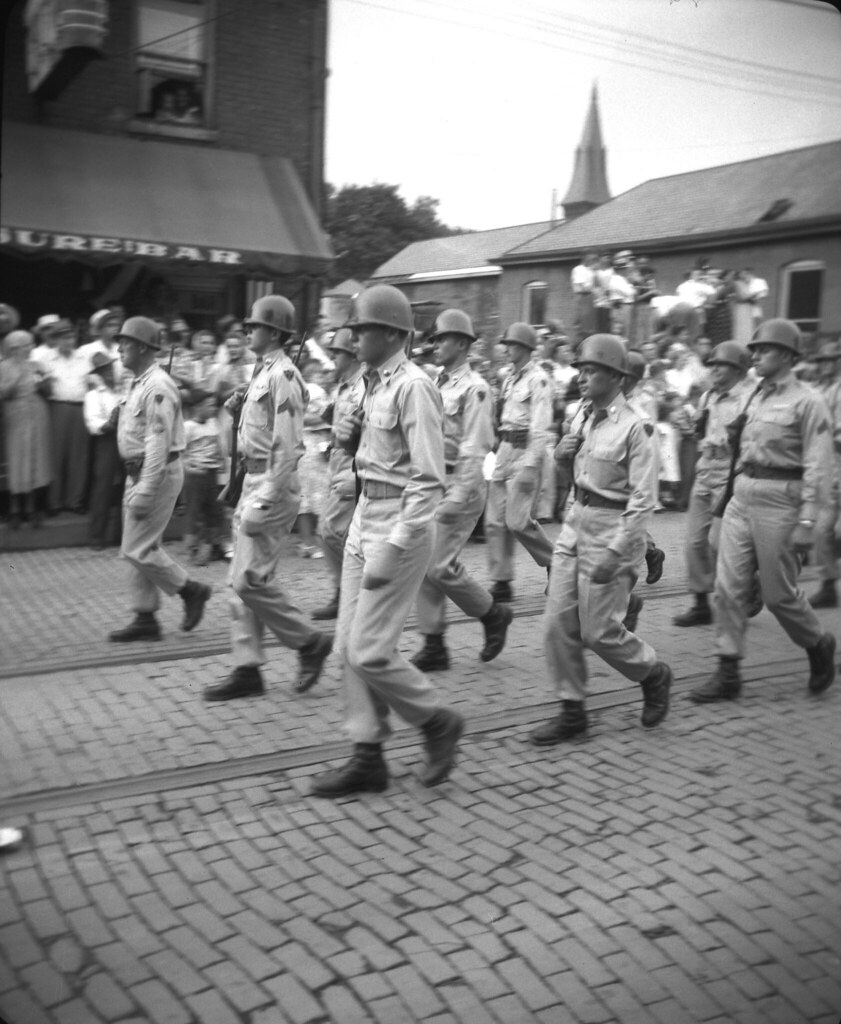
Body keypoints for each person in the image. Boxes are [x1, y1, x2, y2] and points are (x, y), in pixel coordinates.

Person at [310, 284, 464, 798]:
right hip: (365, 516)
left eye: (363, 328)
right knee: (345, 649)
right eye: (354, 328)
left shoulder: (413, 386)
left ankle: (437, 721)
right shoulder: (371, 385)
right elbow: (380, 463)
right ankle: (368, 754)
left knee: (370, 650)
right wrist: (352, 458)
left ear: (394, 333)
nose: (353, 337)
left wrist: (397, 543)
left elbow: (427, 477)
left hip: (398, 525)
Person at [530, 334, 673, 746]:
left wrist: (618, 550)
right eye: (580, 370)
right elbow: (572, 474)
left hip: (613, 529)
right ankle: (572, 710)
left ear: (615, 376)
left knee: (599, 632)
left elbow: (644, 500)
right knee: (557, 622)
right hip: (575, 525)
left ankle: (652, 672)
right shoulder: (580, 417)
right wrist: (560, 455)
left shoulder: (636, 427)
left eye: (591, 370)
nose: (582, 378)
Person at [690, 319, 836, 704]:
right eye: (753, 349)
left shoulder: (809, 401)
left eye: (764, 349)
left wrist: (808, 520)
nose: (755, 355)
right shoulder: (755, 397)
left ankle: (817, 643)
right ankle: (728, 670)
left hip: (782, 501)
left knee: (778, 595)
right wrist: (723, 505)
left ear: (787, 355)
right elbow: (738, 451)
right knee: (728, 586)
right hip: (743, 493)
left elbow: (819, 466)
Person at [203, 296, 332, 701]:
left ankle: (309, 642)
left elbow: (289, 445)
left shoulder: (285, 376)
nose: (246, 332)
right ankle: (247, 668)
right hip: (254, 480)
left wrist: (267, 496)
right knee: (240, 580)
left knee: (248, 580)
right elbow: (253, 435)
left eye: (254, 326)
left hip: (273, 485)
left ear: (274, 333)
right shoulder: (261, 374)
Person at [410, 308, 513, 672]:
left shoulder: (476, 388)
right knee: (426, 562)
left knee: (436, 564)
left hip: (460, 482)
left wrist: (459, 493)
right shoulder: (434, 384)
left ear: (462, 343)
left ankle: (491, 613)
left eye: (441, 339)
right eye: (434, 339)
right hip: (434, 480)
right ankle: (434, 642)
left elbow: (476, 445)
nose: (435, 345)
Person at [110, 317, 212, 642]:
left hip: (154, 472)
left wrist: (146, 489)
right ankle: (145, 617)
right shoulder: (139, 382)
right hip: (138, 471)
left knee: (135, 549)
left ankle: (190, 589)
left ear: (142, 347)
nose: (119, 347)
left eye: (125, 342)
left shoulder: (157, 386)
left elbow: (157, 442)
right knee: (142, 545)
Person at [673, 341, 755, 626]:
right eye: (714, 365)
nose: (715, 370)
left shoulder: (749, 398)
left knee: (719, 542)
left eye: (722, 365)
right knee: (694, 542)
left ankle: (747, 586)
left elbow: (754, 439)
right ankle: (700, 603)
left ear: (738, 369)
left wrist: (730, 441)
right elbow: (701, 431)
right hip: (705, 471)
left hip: (731, 473)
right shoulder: (707, 396)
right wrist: (691, 425)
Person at [485, 322, 554, 603]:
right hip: (504, 450)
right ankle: (502, 581)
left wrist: (530, 466)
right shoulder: (509, 378)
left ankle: (556, 564)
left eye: (511, 345)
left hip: (525, 451)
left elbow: (540, 426)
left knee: (517, 521)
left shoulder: (539, 379)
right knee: (494, 521)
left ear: (525, 347)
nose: (506, 349)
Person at [311, 327, 364, 621]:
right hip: (337, 461)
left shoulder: (363, 387)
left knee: (331, 531)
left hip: (354, 465)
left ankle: (347, 592)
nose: (333, 358)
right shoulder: (343, 387)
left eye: (338, 353)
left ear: (353, 354)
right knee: (334, 531)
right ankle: (348, 591)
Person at [0, 330, 52, 528]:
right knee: (17, 462)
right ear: (14, 348)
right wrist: (17, 375)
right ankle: (15, 510)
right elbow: (3, 394)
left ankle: (33, 509)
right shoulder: (4, 366)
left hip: (38, 415)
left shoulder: (37, 365)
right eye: (26, 345)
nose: (31, 348)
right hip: (15, 417)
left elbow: (48, 391)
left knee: (35, 460)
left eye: (31, 344)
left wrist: (41, 383)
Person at [41, 319, 90, 514]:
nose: (69, 341)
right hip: (57, 407)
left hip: (80, 407)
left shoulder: (83, 358)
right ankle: (54, 501)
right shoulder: (46, 359)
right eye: (64, 337)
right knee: (56, 455)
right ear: (56, 339)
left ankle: (74, 500)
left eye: (71, 336)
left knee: (79, 456)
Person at [808, 339, 841, 609]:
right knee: (822, 529)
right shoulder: (821, 390)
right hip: (830, 467)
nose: (825, 366)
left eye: (831, 360)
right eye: (822, 361)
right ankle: (828, 585)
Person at [83, 351, 123, 549]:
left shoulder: (121, 391)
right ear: (98, 373)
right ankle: (96, 536)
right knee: (103, 488)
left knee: (127, 487)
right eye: (104, 370)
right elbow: (93, 424)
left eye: (110, 368)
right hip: (106, 441)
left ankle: (122, 536)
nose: (109, 373)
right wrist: (110, 423)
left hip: (125, 439)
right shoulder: (93, 395)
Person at [182, 390, 227, 565]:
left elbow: (221, 444)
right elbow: (181, 453)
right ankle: (193, 550)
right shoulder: (188, 427)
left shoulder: (214, 423)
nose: (213, 409)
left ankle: (214, 546)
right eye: (209, 405)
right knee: (195, 512)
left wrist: (223, 461)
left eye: (214, 405)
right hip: (196, 476)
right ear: (198, 407)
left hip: (212, 474)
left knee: (215, 511)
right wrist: (189, 467)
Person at [570, 252, 599, 343]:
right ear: (586, 259)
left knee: (591, 325)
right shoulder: (579, 269)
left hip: (590, 297)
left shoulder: (591, 271)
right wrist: (594, 290)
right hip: (582, 296)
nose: (594, 263)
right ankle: (578, 344)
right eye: (592, 260)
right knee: (581, 323)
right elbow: (581, 287)